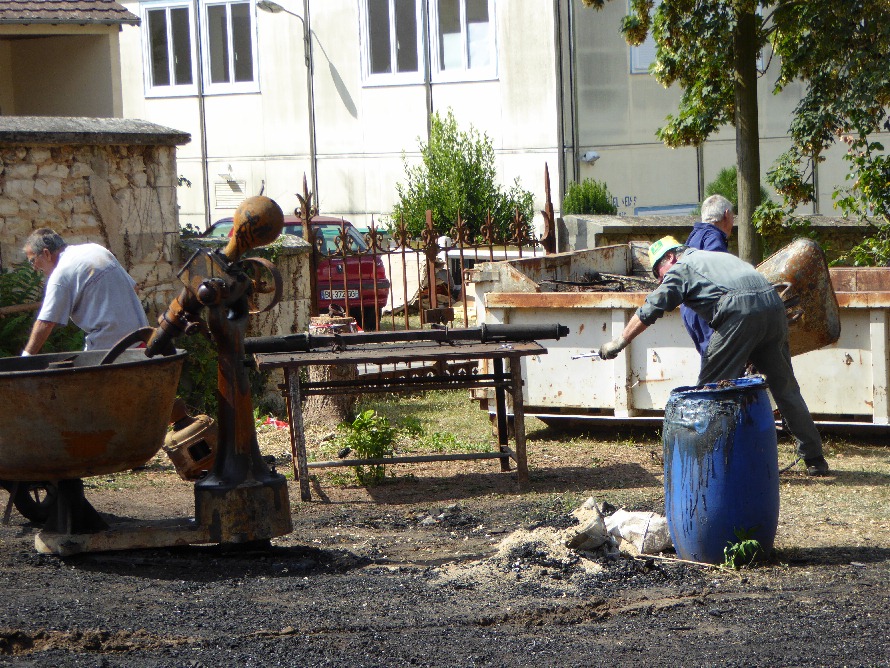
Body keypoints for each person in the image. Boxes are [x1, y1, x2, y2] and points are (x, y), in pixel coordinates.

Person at [598, 236, 830, 476]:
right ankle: (814, 458)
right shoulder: (718, 257)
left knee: (709, 393)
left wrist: (619, 342)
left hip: (739, 311)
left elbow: (650, 309)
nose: (660, 279)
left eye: (658, 271)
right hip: (774, 306)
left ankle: (703, 463)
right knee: (786, 389)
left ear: (671, 257)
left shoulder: (681, 268)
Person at [21, 228, 149, 355]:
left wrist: (25, 358)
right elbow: (134, 288)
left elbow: (46, 323)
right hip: (140, 338)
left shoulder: (60, 274)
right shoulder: (95, 249)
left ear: (46, 254)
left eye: (33, 261)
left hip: (110, 349)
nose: (34, 268)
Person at [681, 194, 734, 355]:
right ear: (726, 215)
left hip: (690, 310)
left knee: (710, 360)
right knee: (719, 361)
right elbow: (715, 274)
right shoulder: (714, 238)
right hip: (706, 312)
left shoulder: (694, 236)